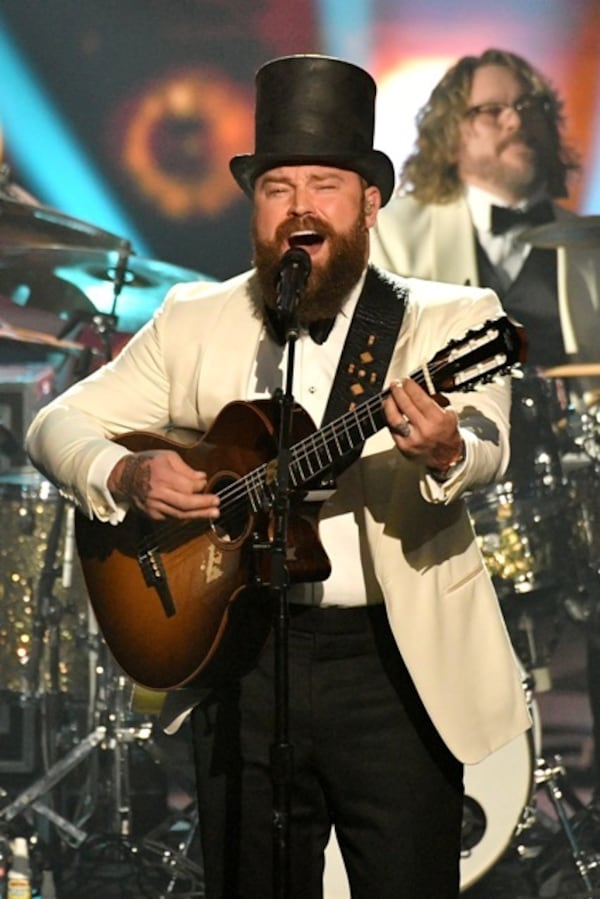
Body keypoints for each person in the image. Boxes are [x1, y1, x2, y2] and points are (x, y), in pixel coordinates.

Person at [26, 54, 530, 899]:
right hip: (240, 656)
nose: (300, 208)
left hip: (396, 672)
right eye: (277, 186)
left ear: (370, 202)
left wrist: (445, 448)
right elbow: (55, 423)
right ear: (253, 205)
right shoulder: (196, 319)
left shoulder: (455, 320)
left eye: (325, 184)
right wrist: (127, 471)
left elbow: (486, 441)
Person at [370, 47, 600, 783]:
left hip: (566, 489)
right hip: (434, 489)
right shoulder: (395, 236)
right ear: (450, 132)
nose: (516, 121)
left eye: (529, 107)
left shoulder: (588, 248)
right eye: (492, 109)